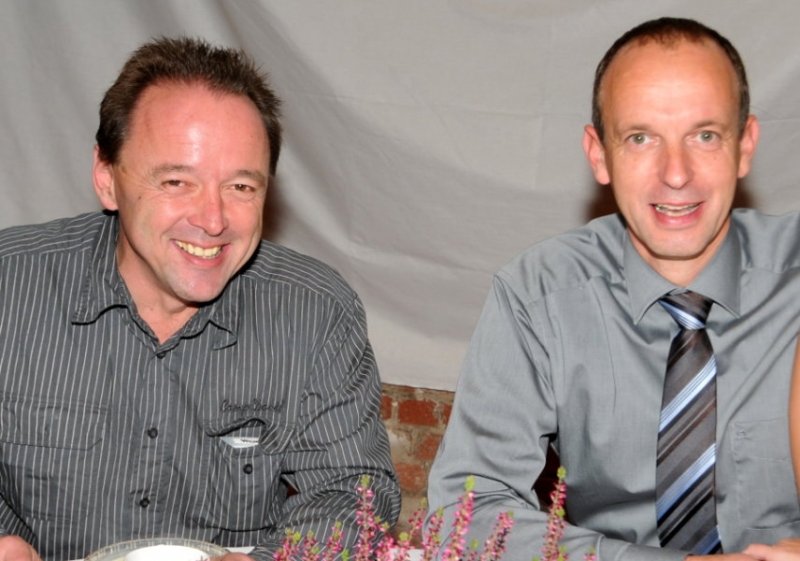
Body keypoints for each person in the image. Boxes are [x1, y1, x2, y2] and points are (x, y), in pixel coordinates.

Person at [0, 37, 400, 561]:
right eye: (176, 181)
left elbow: (354, 494)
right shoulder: (10, 286)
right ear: (107, 178)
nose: (213, 221)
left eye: (241, 187)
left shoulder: (316, 312)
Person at [427, 17, 800, 561]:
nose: (676, 173)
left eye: (704, 135)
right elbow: (465, 516)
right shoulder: (539, 296)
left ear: (745, 146)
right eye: (641, 138)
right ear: (599, 154)